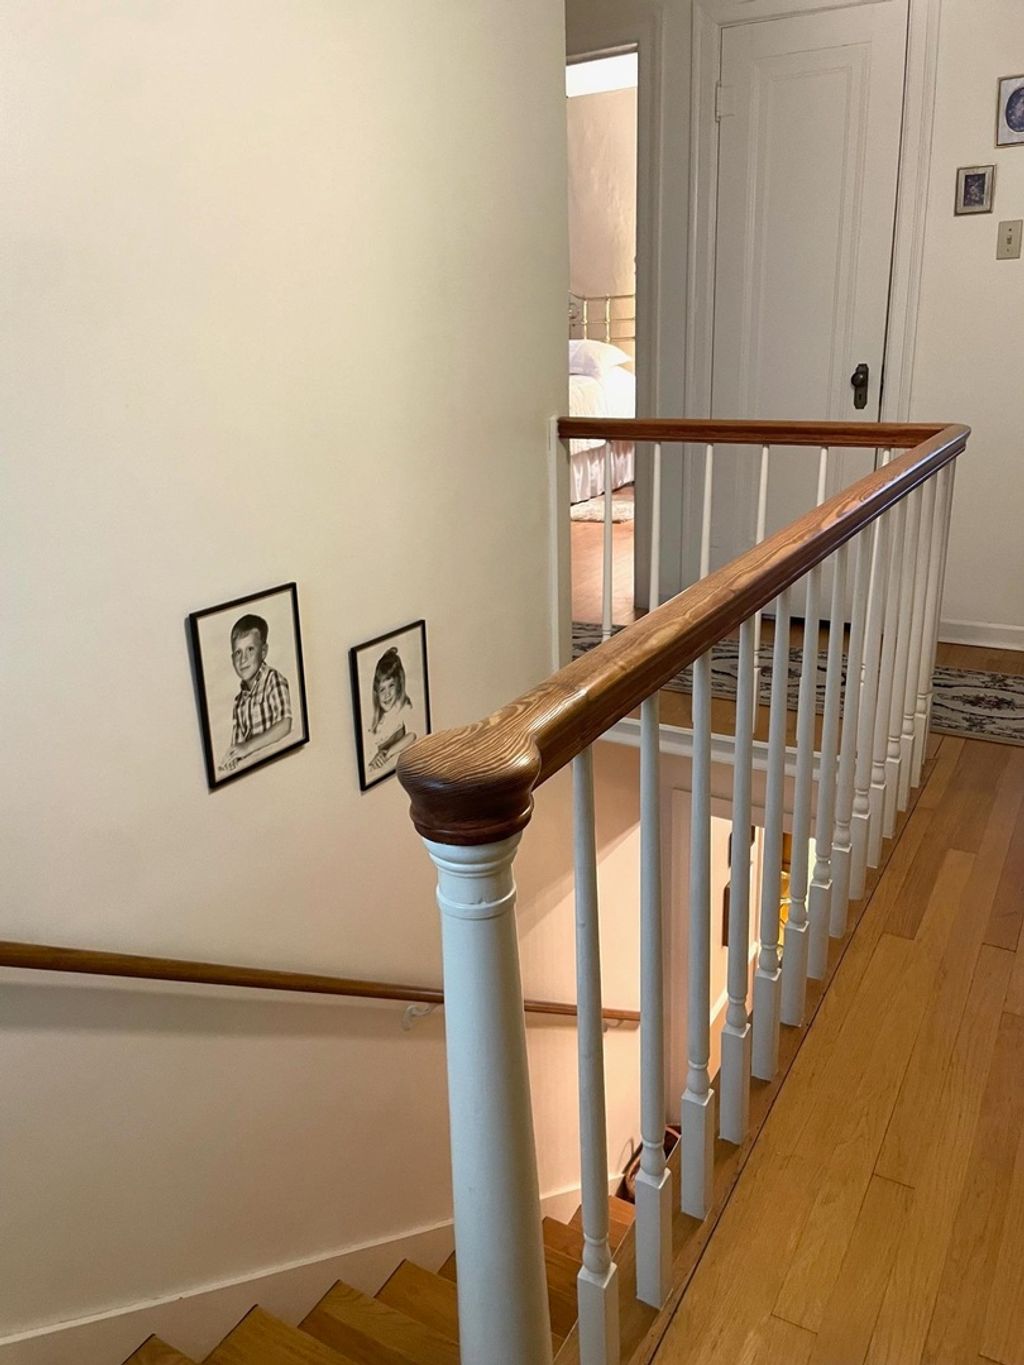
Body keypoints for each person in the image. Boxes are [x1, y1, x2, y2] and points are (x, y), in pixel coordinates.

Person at [219, 613, 292, 773]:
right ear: (232, 658)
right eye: (238, 652)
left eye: (250, 649)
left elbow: (285, 725)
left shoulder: (273, 680)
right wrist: (233, 758)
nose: (243, 659)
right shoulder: (238, 702)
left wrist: (247, 747)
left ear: (263, 651)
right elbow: (238, 746)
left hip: (280, 767)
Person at [367, 646, 416, 772]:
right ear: (376, 693)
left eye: (391, 686)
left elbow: (412, 735)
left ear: (398, 685)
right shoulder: (373, 723)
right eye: (382, 689)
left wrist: (387, 753)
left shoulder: (401, 707)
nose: (387, 694)